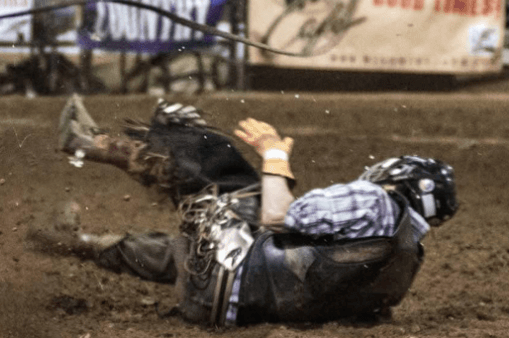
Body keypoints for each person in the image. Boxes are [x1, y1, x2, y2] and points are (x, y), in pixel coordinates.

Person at [28, 96, 458, 327]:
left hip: (224, 276)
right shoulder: (401, 270)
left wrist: (274, 156)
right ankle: (78, 243)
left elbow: (279, 214)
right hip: (219, 306)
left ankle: (89, 143)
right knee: (207, 247)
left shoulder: (376, 201)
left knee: (217, 160)